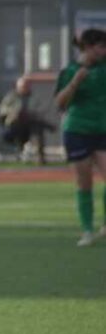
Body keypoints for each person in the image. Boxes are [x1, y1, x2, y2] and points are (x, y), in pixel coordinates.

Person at [54, 28, 106, 246]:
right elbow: (60, 103)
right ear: (87, 47)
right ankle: (87, 231)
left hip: (102, 130)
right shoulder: (70, 70)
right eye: (101, 46)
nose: (104, 51)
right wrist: (75, 82)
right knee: (84, 184)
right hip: (77, 131)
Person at [0, 75, 55, 164]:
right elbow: (3, 109)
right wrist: (13, 112)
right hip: (14, 124)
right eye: (22, 86)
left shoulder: (34, 97)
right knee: (17, 125)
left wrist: (32, 113)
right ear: (17, 86)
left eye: (26, 86)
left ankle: (40, 158)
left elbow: (40, 109)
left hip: (30, 124)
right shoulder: (11, 97)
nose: (24, 88)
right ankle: (20, 151)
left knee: (38, 128)